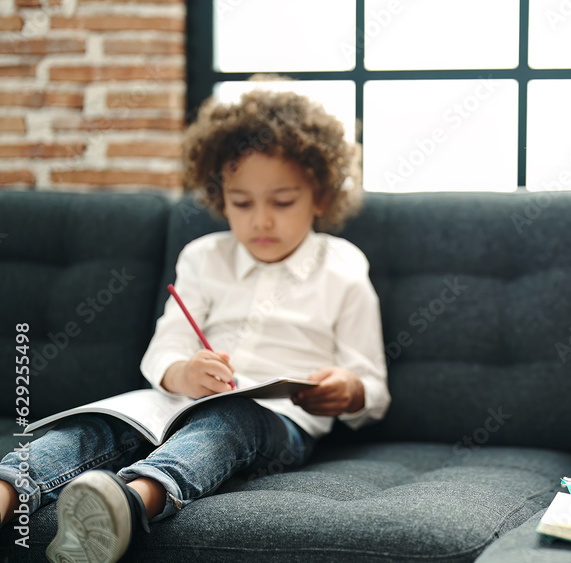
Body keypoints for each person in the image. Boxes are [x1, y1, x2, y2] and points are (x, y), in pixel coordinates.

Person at [0, 83, 390, 562]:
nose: (261, 220)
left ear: (321, 196)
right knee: (101, 426)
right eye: (242, 203)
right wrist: (184, 372)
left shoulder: (344, 267)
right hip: (174, 402)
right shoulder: (203, 257)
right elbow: (164, 350)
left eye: (282, 201)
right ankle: (5, 493)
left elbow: (372, 384)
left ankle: (128, 503)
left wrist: (348, 390)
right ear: (219, 196)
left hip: (278, 420)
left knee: (229, 420)